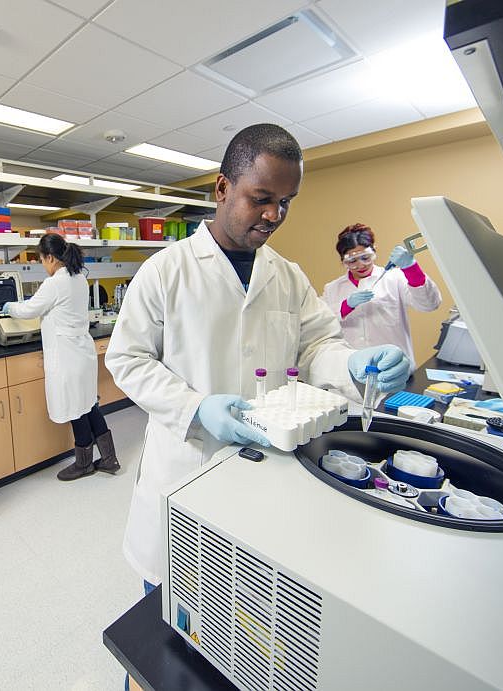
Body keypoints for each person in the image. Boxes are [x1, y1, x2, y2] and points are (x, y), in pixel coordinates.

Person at [104, 124, 411, 591]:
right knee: (166, 620)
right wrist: (195, 407)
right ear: (223, 188)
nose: (274, 214)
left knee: (244, 619)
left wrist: (351, 364)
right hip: (189, 463)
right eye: (261, 197)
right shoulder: (165, 272)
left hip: (268, 472)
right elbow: (128, 359)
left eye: (286, 202)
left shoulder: (287, 276)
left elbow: (316, 347)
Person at [2, 233, 120, 481]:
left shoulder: (55, 282)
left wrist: (10, 307)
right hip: (81, 354)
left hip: (67, 357)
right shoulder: (78, 278)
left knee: (76, 408)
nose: (43, 266)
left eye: (42, 260)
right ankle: (109, 459)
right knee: (87, 404)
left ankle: (84, 464)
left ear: (50, 258)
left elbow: (29, 309)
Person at [322, 223, 442, 370]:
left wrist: (411, 267)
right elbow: (323, 324)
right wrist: (346, 306)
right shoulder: (332, 288)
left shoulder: (395, 278)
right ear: (343, 261)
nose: (360, 265)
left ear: (374, 251)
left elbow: (429, 304)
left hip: (394, 368)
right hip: (351, 372)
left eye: (365, 257)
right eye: (352, 261)